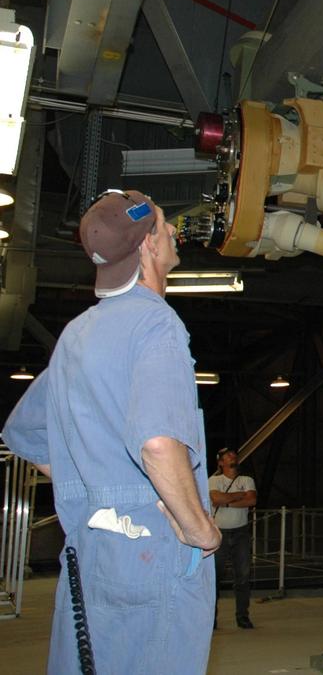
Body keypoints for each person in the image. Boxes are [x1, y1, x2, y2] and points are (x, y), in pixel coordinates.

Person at [2, 189, 220, 674]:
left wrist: (98, 492)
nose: (170, 233)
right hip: (153, 554)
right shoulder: (156, 326)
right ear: (146, 245)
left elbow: (26, 433)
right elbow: (159, 444)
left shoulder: (79, 333)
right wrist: (200, 529)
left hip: (92, 556)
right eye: (163, 225)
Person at [209, 447, 257, 629]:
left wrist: (226, 500)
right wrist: (238, 496)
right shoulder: (213, 480)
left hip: (241, 532)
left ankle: (243, 616)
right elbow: (215, 499)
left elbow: (251, 500)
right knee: (216, 577)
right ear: (220, 462)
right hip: (219, 533)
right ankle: (211, 618)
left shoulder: (247, 479)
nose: (232, 456)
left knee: (243, 576)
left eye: (233, 454)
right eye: (227, 455)